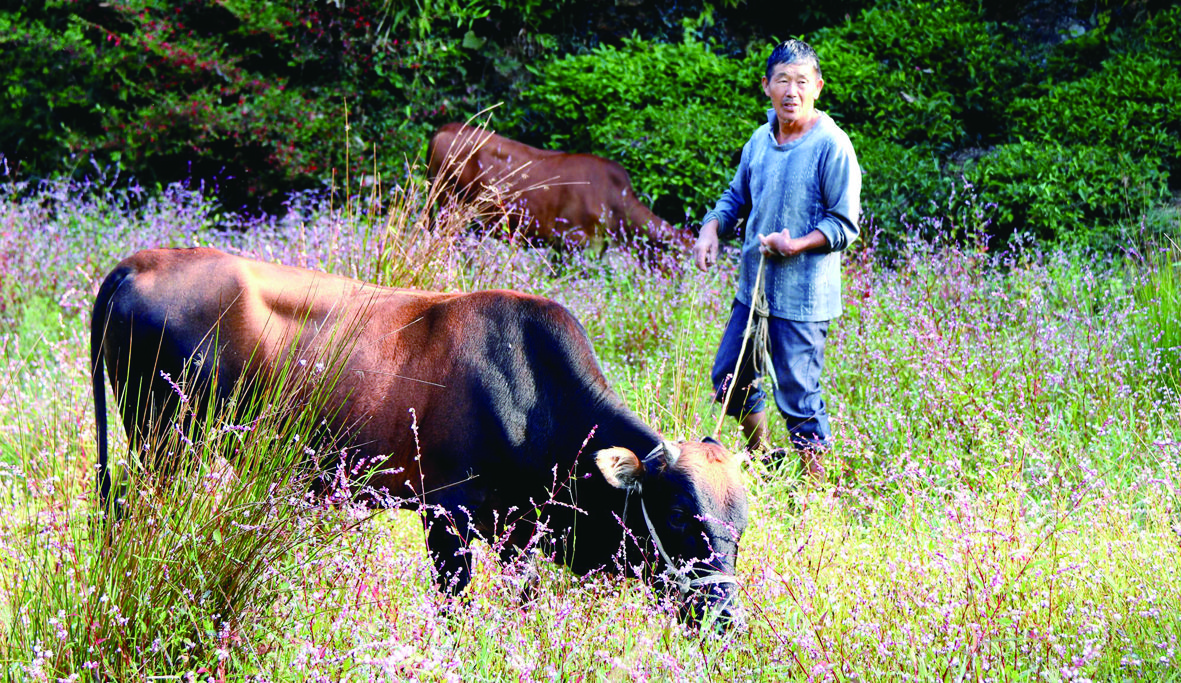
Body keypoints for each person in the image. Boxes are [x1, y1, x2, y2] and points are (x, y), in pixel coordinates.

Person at [692, 39, 861, 477]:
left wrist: (797, 244)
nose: (792, 91)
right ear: (766, 85)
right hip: (754, 292)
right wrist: (712, 227)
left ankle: (816, 499)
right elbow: (736, 197)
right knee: (731, 380)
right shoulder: (759, 141)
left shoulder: (833, 145)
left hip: (803, 299)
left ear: (818, 87)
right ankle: (764, 459)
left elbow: (844, 224)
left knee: (799, 398)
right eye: (783, 80)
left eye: (802, 81)